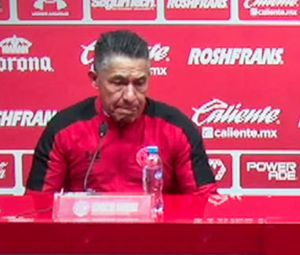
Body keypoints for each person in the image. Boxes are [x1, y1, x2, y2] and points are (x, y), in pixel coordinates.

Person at [27, 29, 216, 195]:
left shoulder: (177, 129)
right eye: (118, 83)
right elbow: (36, 207)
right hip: (87, 226)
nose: (130, 96)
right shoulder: (64, 129)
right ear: (95, 79)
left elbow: (205, 204)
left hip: (158, 226)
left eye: (140, 83)